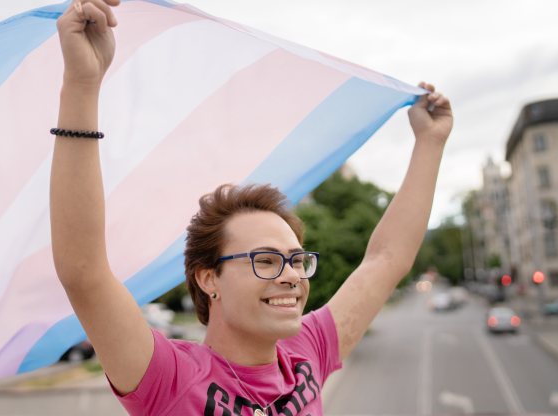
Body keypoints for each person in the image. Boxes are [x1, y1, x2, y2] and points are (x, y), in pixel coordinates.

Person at [49, 0, 453, 414]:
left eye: (296, 260)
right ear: (210, 279)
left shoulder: (307, 351)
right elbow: (84, 272)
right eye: (266, 260)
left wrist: (430, 143)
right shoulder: (169, 378)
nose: (292, 276)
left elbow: (386, 259)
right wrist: (82, 84)